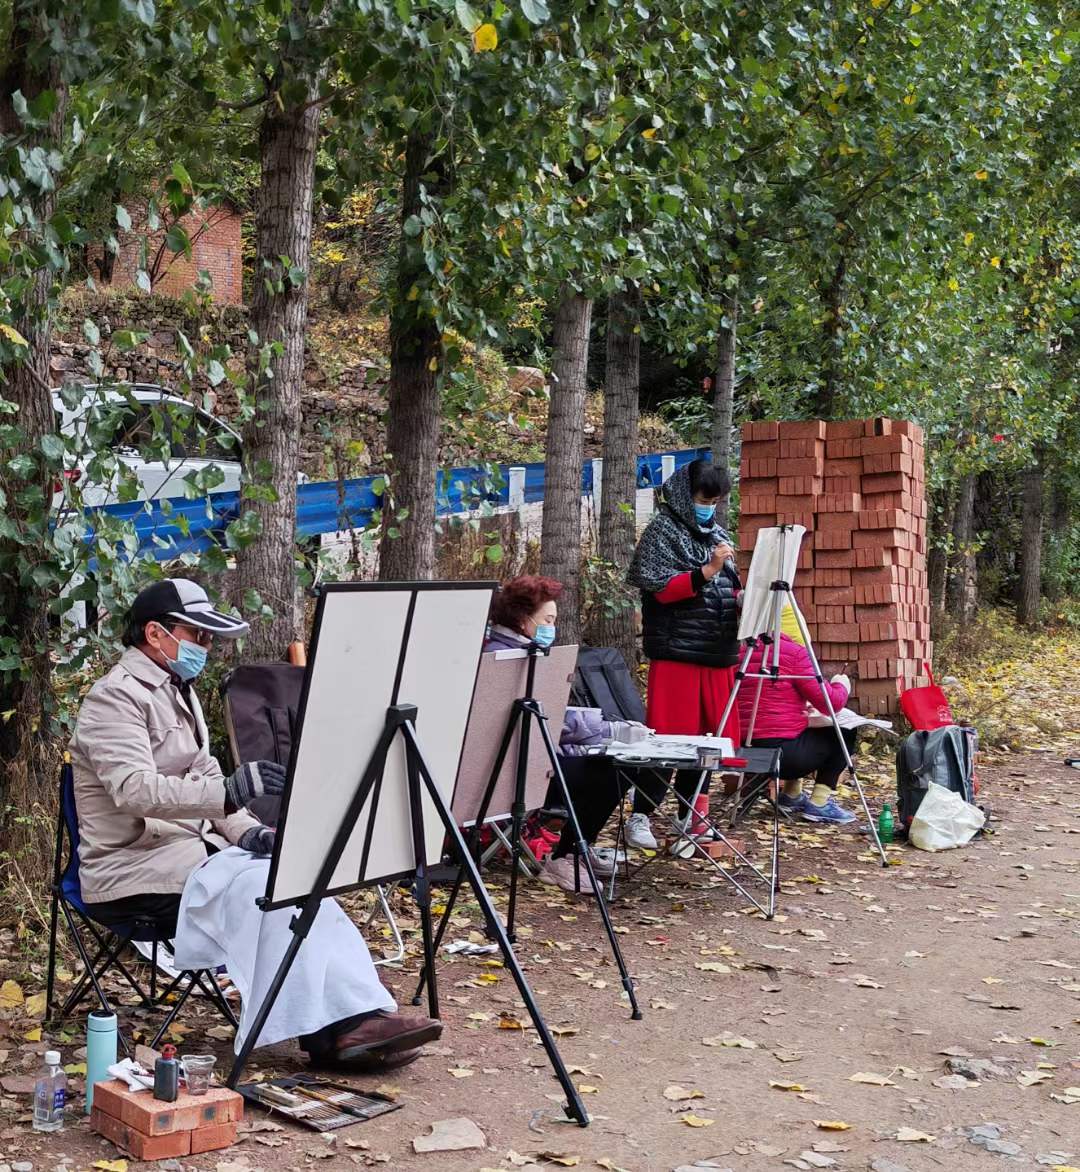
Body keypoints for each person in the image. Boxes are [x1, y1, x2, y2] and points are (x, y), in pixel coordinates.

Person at [70, 578, 441, 1069]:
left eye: (208, 638)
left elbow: (205, 779)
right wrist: (228, 792)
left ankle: (359, 1014)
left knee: (296, 876)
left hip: (187, 853)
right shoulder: (113, 699)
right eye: (196, 635)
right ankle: (333, 1030)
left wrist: (249, 830)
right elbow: (134, 790)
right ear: (156, 634)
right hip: (129, 867)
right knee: (260, 889)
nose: (205, 647)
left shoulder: (178, 691)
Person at [484, 575, 640, 894]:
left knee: (610, 764)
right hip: (508, 772)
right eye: (547, 620)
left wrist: (599, 736)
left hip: (529, 759)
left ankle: (576, 850)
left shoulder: (522, 651)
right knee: (608, 773)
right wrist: (604, 730)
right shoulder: (505, 658)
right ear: (522, 619)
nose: (551, 628)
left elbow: (548, 722)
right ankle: (565, 855)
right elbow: (542, 721)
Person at [625, 459, 742, 851]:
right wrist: (707, 570)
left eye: (717, 500)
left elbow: (730, 588)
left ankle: (689, 816)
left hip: (717, 653)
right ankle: (641, 814)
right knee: (668, 740)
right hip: (678, 654)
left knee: (706, 743)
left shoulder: (717, 534)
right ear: (683, 494)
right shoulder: (663, 532)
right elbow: (661, 590)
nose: (709, 506)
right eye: (703, 498)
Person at [737, 630, 856, 824]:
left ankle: (791, 795)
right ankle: (819, 803)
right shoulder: (795, 654)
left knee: (801, 726)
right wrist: (841, 685)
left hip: (743, 755)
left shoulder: (742, 653)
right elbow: (830, 703)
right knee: (846, 731)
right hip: (784, 757)